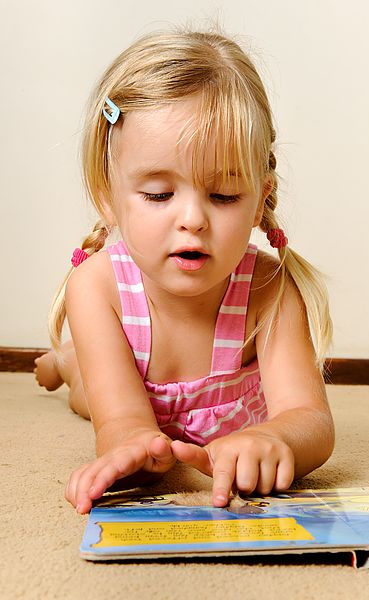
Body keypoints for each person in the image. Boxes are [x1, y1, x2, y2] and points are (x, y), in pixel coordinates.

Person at [34, 28, 334, 514]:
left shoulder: (269, 289)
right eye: (158, 195)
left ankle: (71, 361)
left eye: (224, 196)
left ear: (261, 198)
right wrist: (131, 442)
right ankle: (66, 363)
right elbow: (123, 422)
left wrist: (275, 437)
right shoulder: (96, 288)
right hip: (125, 384)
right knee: (88, 392)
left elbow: (311, 419)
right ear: (107, 196)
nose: (192, 219)